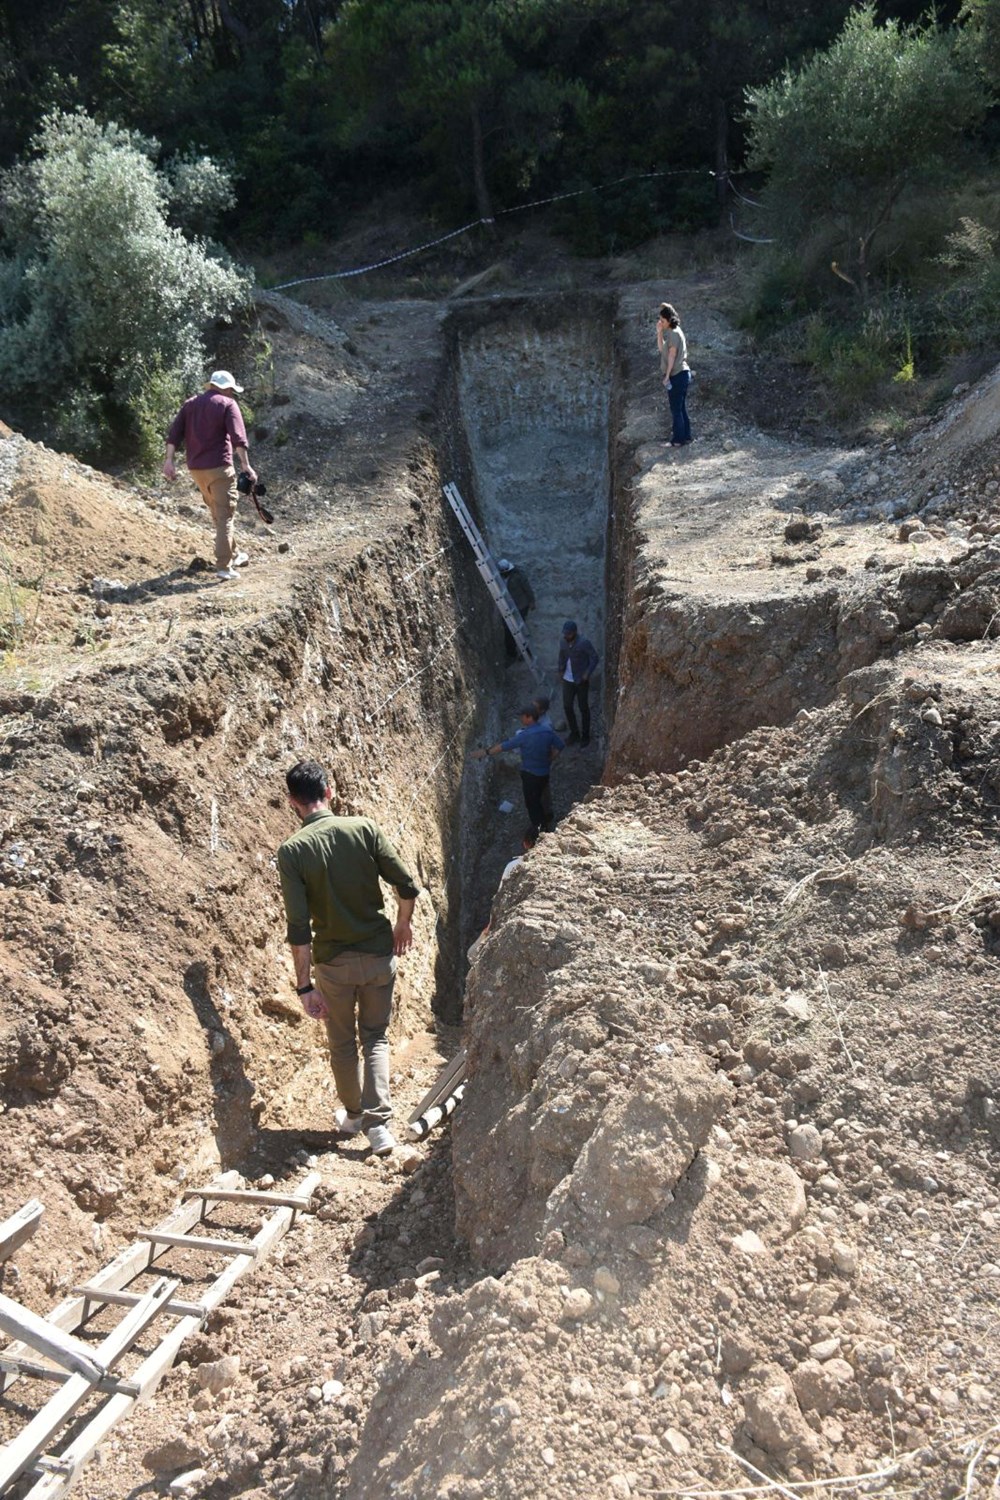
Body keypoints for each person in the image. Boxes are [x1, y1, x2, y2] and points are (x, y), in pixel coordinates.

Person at [276, 760, 420, 1156]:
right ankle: (378, 1128)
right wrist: (402, 925)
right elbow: (406, 884)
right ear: (330, 791)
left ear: (292, 802)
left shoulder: (292, 851)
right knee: (375, 1038)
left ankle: (355, 1114)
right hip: (377, 955)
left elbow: (299, 926)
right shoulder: (364, 829)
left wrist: (304, 986)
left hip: (333, 965)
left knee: (341, 1043)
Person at [163, 370, 256, 581]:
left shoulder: (190, 404)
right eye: (231, 389)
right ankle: (223, 566)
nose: (232, 393)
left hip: (196, 470)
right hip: (219, 468)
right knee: (225, 515)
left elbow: (173, 435)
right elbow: (238, 438)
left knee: (218, 512)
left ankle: (235, 554)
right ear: (225, 387)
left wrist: (169, 461)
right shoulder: (227, 404)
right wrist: (246, 465)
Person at [471, 705, 564, 835]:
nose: (521, 719)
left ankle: (540, 829)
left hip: (530, 775)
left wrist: (485, 752)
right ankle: (548, 816)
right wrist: (550, 759)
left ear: (530, 717)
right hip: (544, 772)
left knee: (532, 802)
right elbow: (560, 745)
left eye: (523, 716)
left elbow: (503, 747)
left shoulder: (524, 735)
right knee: (543, 794)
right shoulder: (547, 731)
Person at [558, 621, 599, 747]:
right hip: (567, 680)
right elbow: (562, 655)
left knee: (583, 708)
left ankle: (585, 736)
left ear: (574, 633)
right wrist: (560, 669)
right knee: (567, 706)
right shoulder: (563, 642)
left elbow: (594, 658)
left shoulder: (584, 642)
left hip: (580, 680)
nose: (566, 636)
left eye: (569, 634)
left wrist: (587, 673)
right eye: (565, 634)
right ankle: (574, 733)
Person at [657, 303, 692, 447]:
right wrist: (659, 332)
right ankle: (686, 436)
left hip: (678, 375)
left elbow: (671, 356)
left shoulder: (674, 334)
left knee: (676, 409)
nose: (661, 323)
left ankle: (678, 440)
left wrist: (667, 376)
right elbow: (662, 350)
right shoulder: (674, 332)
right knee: (681, 407)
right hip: (681, 375)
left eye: (662, 321)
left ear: (669, 320)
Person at [498, 558, 536, 661]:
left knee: (520, 630)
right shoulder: (500, 576)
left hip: (521, 606)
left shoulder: (518, 576)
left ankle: (527, 653)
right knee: (508, 630)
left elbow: (527, 588)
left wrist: (532, 601)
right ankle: (511, 653)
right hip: (509, 606)